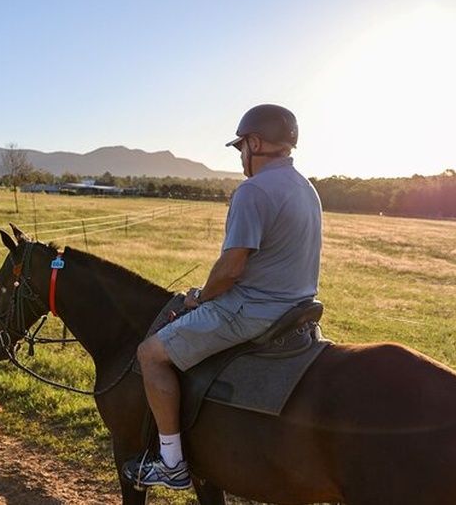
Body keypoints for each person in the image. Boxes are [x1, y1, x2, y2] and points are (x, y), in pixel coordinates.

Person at [123, 104, 322, 490]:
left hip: (252, 310)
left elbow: (230, 268)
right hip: (297, 309)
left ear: (255, 142)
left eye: (240, 148)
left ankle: (171, 463)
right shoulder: (307, 188)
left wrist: (199, 297)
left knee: (150, 354)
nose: (241, 157)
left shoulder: (253, 190)